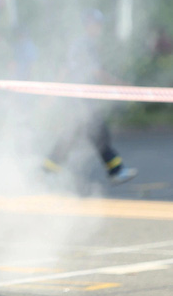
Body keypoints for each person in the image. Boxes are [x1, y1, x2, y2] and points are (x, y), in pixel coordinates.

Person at [44, 9, 137, 185]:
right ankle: (115, 171)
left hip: (76, 98)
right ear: (89, 25)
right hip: (81, 99)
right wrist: (121, 85)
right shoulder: (86, 44)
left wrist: (53, 94)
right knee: (97, 133)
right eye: (97, 24)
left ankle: (47, 171)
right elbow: (97, 72)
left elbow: (64, 69)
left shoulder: (78, 44)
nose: (100, 28)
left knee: (73, 136)